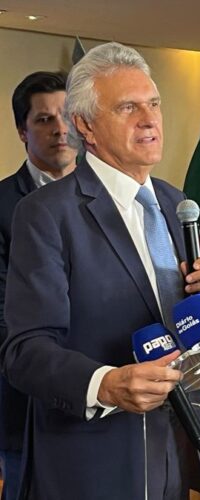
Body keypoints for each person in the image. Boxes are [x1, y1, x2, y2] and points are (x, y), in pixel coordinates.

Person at [0, 42, 200, 499]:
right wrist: (105, 384)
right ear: (86, 126)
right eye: (128, 107)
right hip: (95, 460)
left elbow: (178, 319)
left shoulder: (175, 202)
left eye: (154, 104)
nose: (149, 119)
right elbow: (26, 351)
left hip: (178, 442)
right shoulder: (46, 213)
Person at [0, 71, 77, 500]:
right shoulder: (3, 206)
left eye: (66, 116)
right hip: (27, 401)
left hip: (111, 397)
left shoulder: (115, 199)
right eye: (44, 120)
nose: (60, 129)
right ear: (22, 131)